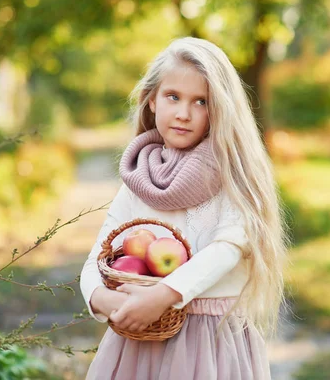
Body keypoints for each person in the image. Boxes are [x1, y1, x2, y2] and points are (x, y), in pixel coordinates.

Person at [79, 37, 287, 380]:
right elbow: (95, 261)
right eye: (173, 97)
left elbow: (227, 249)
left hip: (212, 346)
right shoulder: (139, 179)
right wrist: (103, 300)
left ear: (219, 109)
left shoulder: (233, 176)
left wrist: (163, 296)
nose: (183, 113)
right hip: (139, 347)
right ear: (151, 101)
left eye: (201, 101)